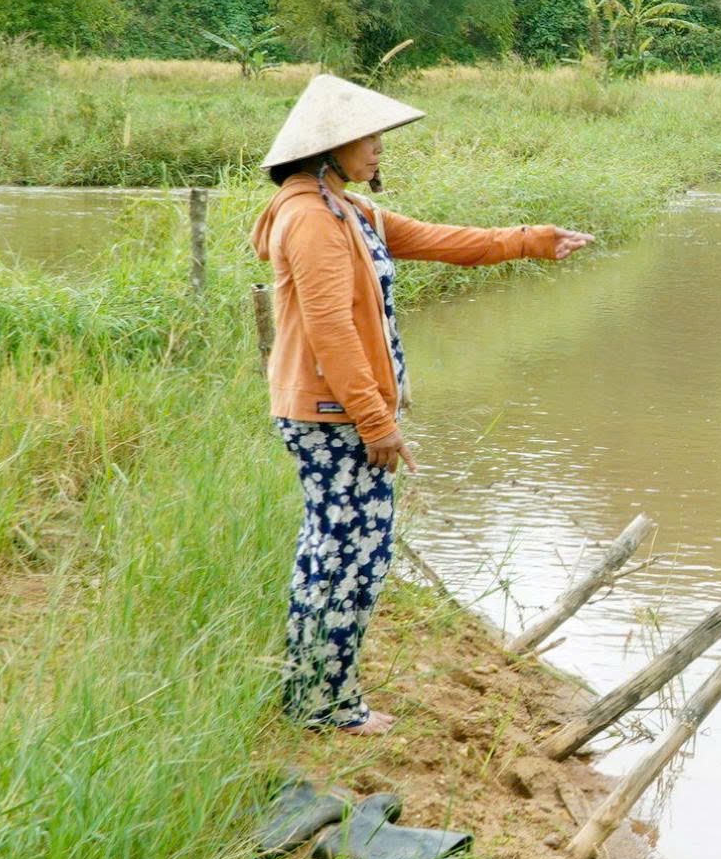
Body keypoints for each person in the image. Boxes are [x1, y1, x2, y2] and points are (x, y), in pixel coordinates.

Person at [249, 75, 593, 735]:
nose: (378, 147)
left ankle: (312, 695)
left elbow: (442, 240)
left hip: (340, 414)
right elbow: (330, 330)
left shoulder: (346, 209)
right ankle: (327, 707)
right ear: (326, 148)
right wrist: (376, 421)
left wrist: (533, 238)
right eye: (367, 136)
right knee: (349, 557)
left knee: (337, 551)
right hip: (336, 419)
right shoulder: (312, 218)